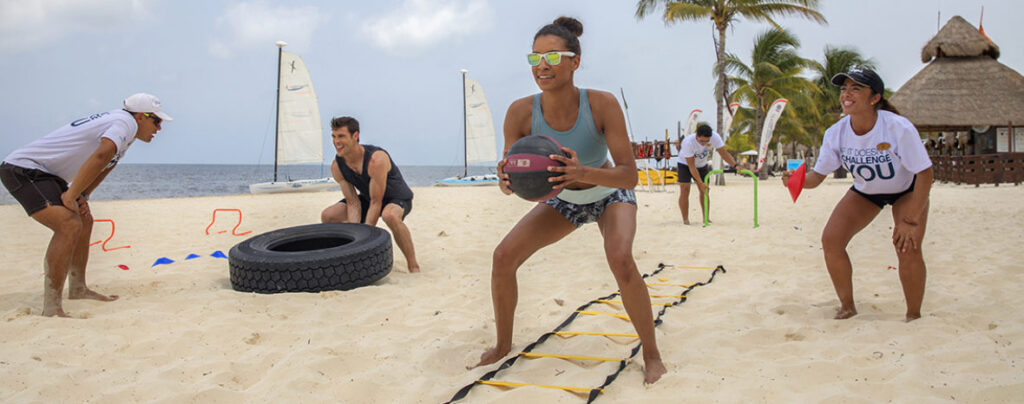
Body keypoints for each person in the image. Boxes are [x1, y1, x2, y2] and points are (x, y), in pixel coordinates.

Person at [471, 16, 667, 384]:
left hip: (609, 189)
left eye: (553, 57)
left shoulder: (602, 104)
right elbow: (514, 180)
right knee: (502, 258)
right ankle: (501, 346)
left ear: (574, 61)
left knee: (621, 258)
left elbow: (630, 175)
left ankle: (652, 354)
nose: (542, 66)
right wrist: (505, 180)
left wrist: (583, 173)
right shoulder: (519, 112)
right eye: (535, 59)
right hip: (563, 197)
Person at [0, 93, 172, 317]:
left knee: (84, 219)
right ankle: (52, 307)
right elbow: (100, 156)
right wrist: (70, 196)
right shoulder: (124, 122)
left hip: (48, 174)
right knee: (68, 225)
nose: (159, 128)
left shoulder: (126, 132)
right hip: (24, 169)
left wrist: (83, 195)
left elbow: (106, 164)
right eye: (156, 121)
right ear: (141, 116)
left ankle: (78, 289)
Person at [782, 67, 933, 322]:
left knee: (908, 246)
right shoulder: (836, 133)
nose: (846, 94)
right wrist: (794, 181)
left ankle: (913, 316)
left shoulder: (897, 127)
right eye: (843, 89)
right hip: (867, 192)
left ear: (874, 98)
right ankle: (847, 306)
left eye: (855, 88)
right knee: (831, 240)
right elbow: (817, 178)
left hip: (907, 190)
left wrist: (910, 220)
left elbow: (925, 174)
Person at [321, 116, 420, 273]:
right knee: (328, 215)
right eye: (333, 136)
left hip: (397, 198)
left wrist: (364, 241)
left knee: (390, 216)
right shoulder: (337, 166)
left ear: (355, 136)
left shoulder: (376, 159)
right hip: (368, 198)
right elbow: (353, 202)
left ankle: (413, 266)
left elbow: (376, 202)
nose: (336, 141)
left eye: (341, 136)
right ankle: (339, 260)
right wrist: (355, 239)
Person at [674, 124, 746, 224]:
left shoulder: (715, 138)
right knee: (685, 189)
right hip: (685, 164)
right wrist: (700, 182)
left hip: (702, 165)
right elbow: (692, 166)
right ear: (697, 136)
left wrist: (735, 165)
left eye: (707, 141)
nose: (704, 144)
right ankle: (685, 220)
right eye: (701, 141)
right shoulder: (688, 142)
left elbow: (724, 153)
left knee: (704, 191)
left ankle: (706, 218)